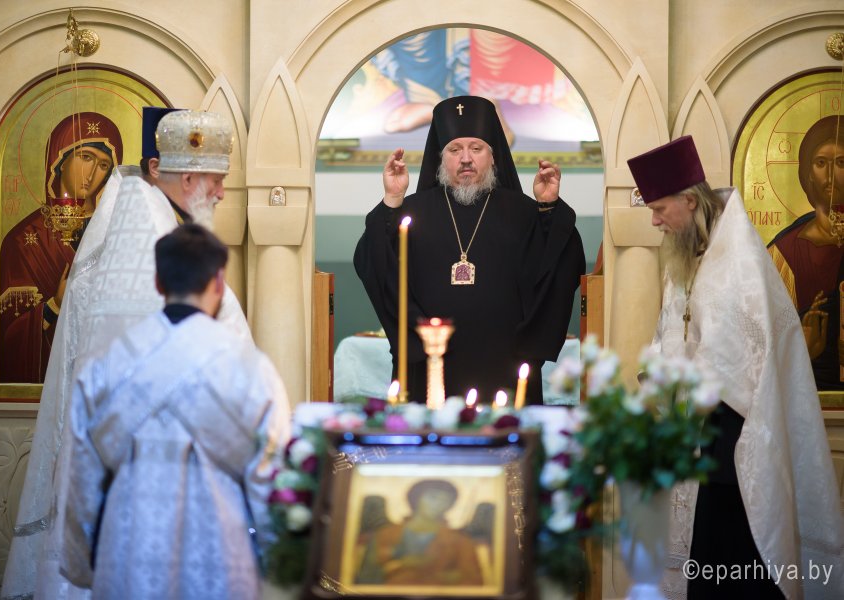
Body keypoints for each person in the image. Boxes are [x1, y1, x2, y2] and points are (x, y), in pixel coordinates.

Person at [1, 109, 267, 600]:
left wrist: (76, 566)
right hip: (197, 531)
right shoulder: (145, 256)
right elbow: (258, 439)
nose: (220, 193)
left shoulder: (116, 250)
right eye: (212, 180)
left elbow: (81, 457)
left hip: (119, 539)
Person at [627, 135, 844, 599]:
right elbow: (671, 336)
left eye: (660, 209)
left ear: (689, 201)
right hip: (696, 452)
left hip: (735, 456)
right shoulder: (685, 260)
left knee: (737, 573)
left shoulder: (739, 266)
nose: (655, 220)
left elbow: (747, 367)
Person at [58, 224, 288, 599]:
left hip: (126, 554)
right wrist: (279, 562)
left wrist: (82, 563)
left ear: (158, 283)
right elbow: (268, 475)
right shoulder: (248, 368)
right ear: (218, 282)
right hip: (221, 556)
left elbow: (82, 477)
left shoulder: (108, 365)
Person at [354, 95, 586, 403]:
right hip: (429, 360)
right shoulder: (412, 211)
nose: (466, 158)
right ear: (441, 158)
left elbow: (561, 265)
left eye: (476, 148)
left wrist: (548, 208)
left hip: (504, 360)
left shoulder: (522, 211)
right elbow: (372, 260)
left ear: (493, 156)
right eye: (455, 150)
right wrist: (392, 200)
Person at [0, 111, 123, 383]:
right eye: (86, 157)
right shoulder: (23, 240)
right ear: (60, 160)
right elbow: (6, 339)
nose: (92, 174)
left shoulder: (118, 231)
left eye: (103, 165)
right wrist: (54, 305)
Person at [767, 115, 844, 390]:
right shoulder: (784, 252)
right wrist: (804, 346)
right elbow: (766, 336)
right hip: (805, 391)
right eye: (821, 162)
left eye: (841, 162)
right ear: (808, 172)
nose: (830, 175)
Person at [355, 479, 483, 586]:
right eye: (433, 498)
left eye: (446, 501)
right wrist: (400, 564)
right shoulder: (385, 535)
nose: (439, 505)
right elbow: (366, 579)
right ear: (416, 498)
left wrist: (442, 576)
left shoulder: (460, 540)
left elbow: (473, 580)